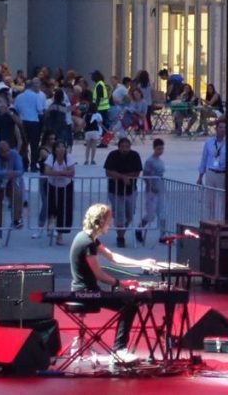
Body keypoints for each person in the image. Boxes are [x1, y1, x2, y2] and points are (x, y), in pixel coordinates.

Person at [69, 203, 158, 364]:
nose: (111, 223)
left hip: (88, 290)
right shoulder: (87, 243)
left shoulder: (88, 238)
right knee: (129, 303)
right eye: (109, 220)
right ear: (101, 221)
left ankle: (119, 349)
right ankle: (119, 350)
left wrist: (141, 262)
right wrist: (120, 284)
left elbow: (113, 257)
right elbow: (99, 274)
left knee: (128, 301)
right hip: (86, 293)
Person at [104, 137, 143, 247]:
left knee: (130, 215)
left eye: (127, 147)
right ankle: (120, 237)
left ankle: (121, 231)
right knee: (120, 215)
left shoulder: (135, 156)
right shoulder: (112, 155)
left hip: (131, 191)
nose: (125, 149)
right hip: (115, 191)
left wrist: (126, 177)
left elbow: (137, 172)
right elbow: (108, 172)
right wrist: (122, 177)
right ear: (119, 147)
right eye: (123, 147)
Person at [44, 141, 76, 245]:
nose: (61, 149)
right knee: (52, 207)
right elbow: (47, 171)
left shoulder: (69, 157)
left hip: (66, 186)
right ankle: (51, 225)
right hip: (52, 185)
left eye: (63, 147)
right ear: (54, 149)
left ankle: (60, 235)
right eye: (58, 147)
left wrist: (58, 173)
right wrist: (63, 173)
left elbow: (72, 171)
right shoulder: (51, 157)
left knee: (64, 209)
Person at [196, 120, 226, 218]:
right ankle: (210, 220)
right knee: (210, 200)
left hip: (222, 173)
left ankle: (223, 221)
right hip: (211, 172)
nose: (223, 130)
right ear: (216, 129)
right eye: (220, 127)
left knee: (223, 200)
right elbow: (204, 159)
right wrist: (200, 176)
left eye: (225, 128)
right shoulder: (209, 142)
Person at [138, 138, 166, 236]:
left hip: (160, 189)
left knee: (162, 214)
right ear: (154, 148)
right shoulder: (150, 161)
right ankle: (139, 228)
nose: (160, 151)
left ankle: (163, 234)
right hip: (151, 191)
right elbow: (145, 175)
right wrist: (150, 186)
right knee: (151, 214)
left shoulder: (160, 161)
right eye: (158, 149)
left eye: (162, 149)